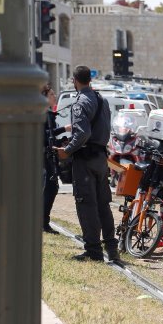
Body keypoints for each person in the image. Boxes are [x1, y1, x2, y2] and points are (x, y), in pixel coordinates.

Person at [56, 66, 120, 264]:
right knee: (103, 204)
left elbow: (83, 133)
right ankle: (112, 248)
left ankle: (93, 251)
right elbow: (105, 129)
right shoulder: (102, 100)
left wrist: (67, 150)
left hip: (84, 159)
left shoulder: (79, 103)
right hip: (100, 158)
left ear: (75, 80)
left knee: (86, 205)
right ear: (89, 80)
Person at [42, 83, 68, 235]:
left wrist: (62, 141)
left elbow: (50, 137)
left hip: (49, 155)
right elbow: (44, 134)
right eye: (51, 94)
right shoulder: (42, 114)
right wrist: (65, 128)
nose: (54, 96)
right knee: (50, 188)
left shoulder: (47, 113)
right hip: (44, 156)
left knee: (51, 188)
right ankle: (43, 222)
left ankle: (44, 221)